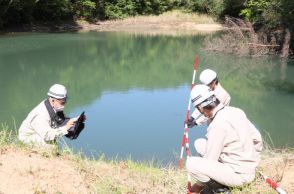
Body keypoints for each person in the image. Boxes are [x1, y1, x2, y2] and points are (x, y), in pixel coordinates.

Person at [186, 84, 263, 194]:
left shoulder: (216, 125)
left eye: (199, 109)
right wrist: (252, 160)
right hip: (250, 169)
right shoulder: (236, 111)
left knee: (191, 164)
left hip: (239, 176)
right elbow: (257, 138)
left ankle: (219, 188)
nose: (201, 113)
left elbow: (210, 161)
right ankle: (224, 179)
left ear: (201, 107)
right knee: (199, 143)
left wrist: (198, 185)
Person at [18, 84, 82, 149]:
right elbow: (47, 135)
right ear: (52, 100)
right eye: (62, 103)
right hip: (27, 138)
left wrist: (76, 122)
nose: (64, 105)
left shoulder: (55, 107)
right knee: (51, 145)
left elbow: (62, 122)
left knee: (53, 141)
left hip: (40, 133)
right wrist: (65, 128)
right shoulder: (41, 114)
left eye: (65, 102)